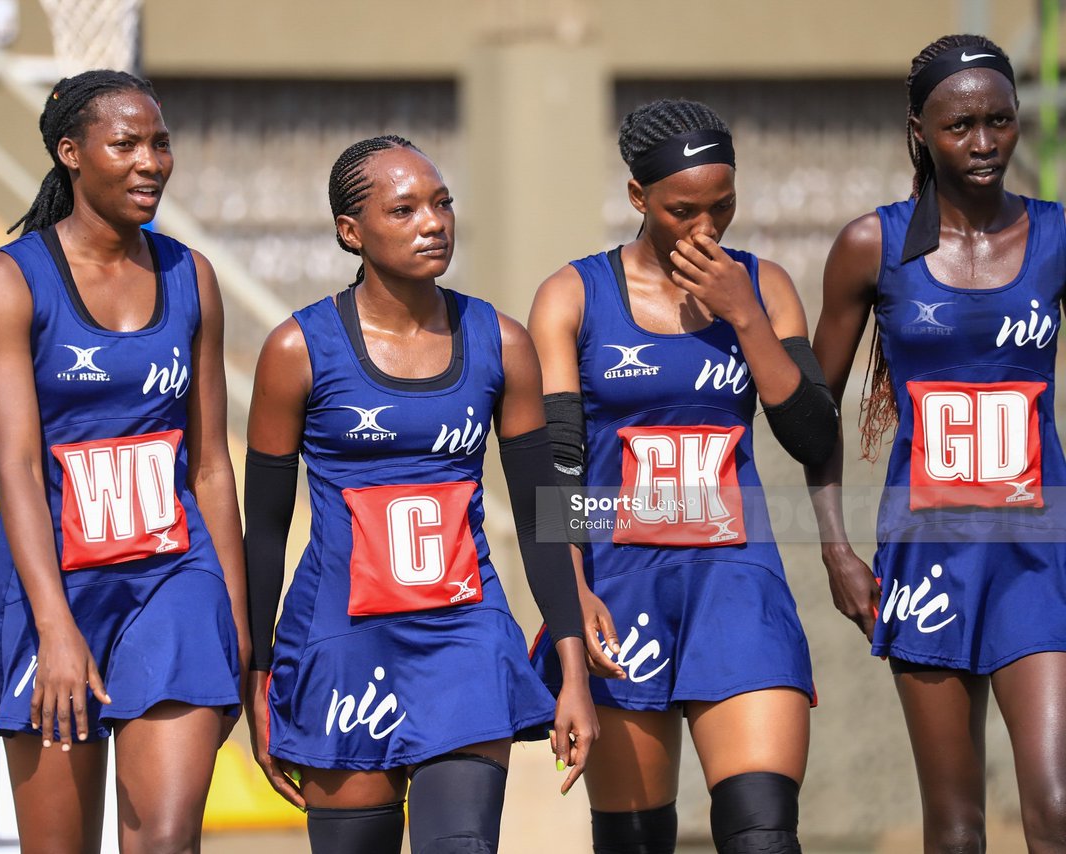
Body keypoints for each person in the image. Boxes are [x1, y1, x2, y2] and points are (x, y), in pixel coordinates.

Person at [242, 134, 598, 853]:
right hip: (340, 638)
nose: (432, 222)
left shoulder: (502, 340)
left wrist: (573, 666)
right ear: (352, 232)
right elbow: (265, 530)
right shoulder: (296, 350)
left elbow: (540, 513)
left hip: (463, 638)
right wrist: (258, 675)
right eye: (403, 209)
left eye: (442, 204)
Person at [0, 69, 248, 853]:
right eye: (127, 144)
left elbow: (212, 465)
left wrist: (237, 628)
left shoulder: (192, 277)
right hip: (58, 586)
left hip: (173, 580)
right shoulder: (13, 280)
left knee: (168, 839)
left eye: (160, 143)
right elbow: (14, 467)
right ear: (72, 154)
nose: (151, 161)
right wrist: (54, 629)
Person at [528, 98, 838, 854]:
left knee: (763, 834)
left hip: (736, 582)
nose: (706, 228)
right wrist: (571, 593)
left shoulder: (764, 286)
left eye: (723, 206)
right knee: (635, 842)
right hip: (621, 583)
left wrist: (745, 316)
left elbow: (812, 435)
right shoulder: (572, 296)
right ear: (638, 198)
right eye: (682, 210)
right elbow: (557, 468)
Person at [808, 33, 1066, 853]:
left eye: (1000, 121)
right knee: (955, 829)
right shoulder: (870, 247)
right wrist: (836, 549)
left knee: (1057, 803)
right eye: (961, 126)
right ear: (919, 130)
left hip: (1038, 554)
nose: (984, 143)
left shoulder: (1057, 236)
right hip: (928, 554)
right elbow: (817, 410)